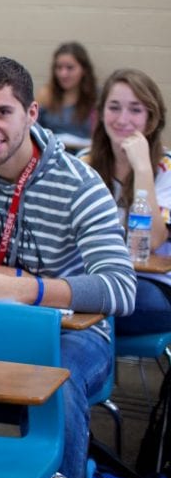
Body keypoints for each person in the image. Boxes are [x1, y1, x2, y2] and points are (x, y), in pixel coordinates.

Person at [0, 56, 135, 478]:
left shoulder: (79, 182)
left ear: (31, 113)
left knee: (62, 377)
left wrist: (26, 290)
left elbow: (120, 289)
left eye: (3, 112)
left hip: (69, 333)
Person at [81, 69, 170, 335]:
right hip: (98, 276)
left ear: (151, 119)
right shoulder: (84, 163)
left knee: (90, 309)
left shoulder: (165, 167)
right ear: (101, 113)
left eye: (135, 110)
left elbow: (153, 241)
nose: (122, 119)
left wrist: (142, 168)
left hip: (153, 284)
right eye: (114, 107)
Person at [37, 42, 98, 152]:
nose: (63, 74)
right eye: (59, 68)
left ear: (84, 69)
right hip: (53, 157)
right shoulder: (46, 94)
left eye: (70, 68)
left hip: (86, 158)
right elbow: (32, 130)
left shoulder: (96, 97)